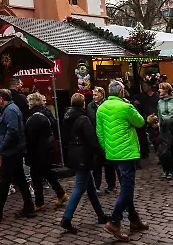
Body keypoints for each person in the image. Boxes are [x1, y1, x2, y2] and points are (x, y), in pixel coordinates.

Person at [96, 80, 147, 241]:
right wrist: (130, 105)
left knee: (126, 185)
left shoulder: (101, 108)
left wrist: (108, 149)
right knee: (126, 188)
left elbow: (100, 133)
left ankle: (134, 219)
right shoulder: (126, 107)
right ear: (120, 92)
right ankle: (114, 220)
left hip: (113, 154)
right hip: (127, 153)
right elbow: (140, 122)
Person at [0, 88, 35, 222]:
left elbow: (12, 130)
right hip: (14, 150)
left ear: (2, 98)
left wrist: (3, 145)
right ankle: (29, 207)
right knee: (20, 180)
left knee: (5, 180)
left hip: (11, 150)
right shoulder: (11, 109)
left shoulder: (10, 110)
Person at [59, 93, 107, 234]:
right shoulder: (83, 119)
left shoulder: (67, 116)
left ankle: (101, 215)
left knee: (90, 187)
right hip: (83, 156)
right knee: (79, 187)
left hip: (73, 153)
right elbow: (92, 140)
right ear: (83, 104)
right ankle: (66, 218)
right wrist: (101, 154)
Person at [24, 92, 67, 210]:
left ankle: (39, 203)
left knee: (36, 176)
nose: (27, 104)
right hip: (46, 150)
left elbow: (31, 137)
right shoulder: (45, 113)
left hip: (38, 152)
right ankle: (61, 194)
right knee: (48, 174)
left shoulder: (35, 117)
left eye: (29, 102)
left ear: (32, 103)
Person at [89, 86, 116, 193]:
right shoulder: (90, 106)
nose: (94, 97)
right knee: (96, 164)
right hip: (96, 137)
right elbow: (92, 119)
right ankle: (96, 186)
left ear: (102, 94)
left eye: (96, 94)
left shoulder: (107, 104)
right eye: (93, 95)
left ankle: (111, 185)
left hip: (107, 135)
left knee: (109, 164)